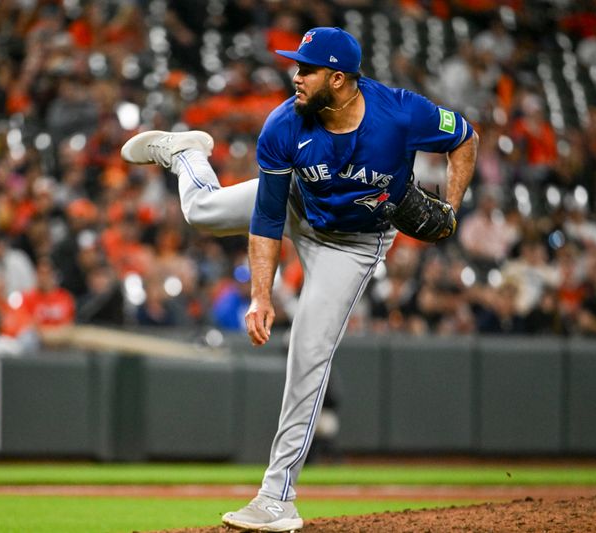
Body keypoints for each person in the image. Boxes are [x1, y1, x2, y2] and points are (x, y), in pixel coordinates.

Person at [121, 26, 478, 532]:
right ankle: (187, 155)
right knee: (201, 210)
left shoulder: (401, 112)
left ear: (339, 78)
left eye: (307, 69)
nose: (296, 76)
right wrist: (260, 297)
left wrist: (452, 206)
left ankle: (276, 498)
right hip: (296, 207)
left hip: (354, 243)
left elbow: (465, 137)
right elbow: (266, 219)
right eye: (297, 65)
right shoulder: (283, 126)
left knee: (309, 352)